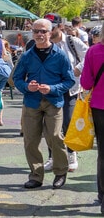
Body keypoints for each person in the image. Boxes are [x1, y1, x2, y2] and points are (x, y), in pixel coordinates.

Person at [13, 18, 75, 190]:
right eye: (36, 31)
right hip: (32, 102)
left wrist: (52, 88)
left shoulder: (60, 55)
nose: (39, 34)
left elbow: (69, 80)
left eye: (43, 31)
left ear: (50, 33)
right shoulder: (27, 56)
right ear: (32, 33)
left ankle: (60, 172)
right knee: (31, 140)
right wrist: (27, 87)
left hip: (53, 102)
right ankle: (36, 175)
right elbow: (16, 79)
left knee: (55, 137)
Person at [43, 13, 88, 172]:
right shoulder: (43, 44)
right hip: (49, 90)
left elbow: (88, 55)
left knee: (68, 122)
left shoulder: (71, 41)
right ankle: (52, 157)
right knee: (50, 126)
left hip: (70, 90)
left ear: (60, 26)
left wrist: (79, 69)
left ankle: (71, 154)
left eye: (51, 27)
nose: (48, 31)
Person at [80, 32, 104, 212]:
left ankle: (102, 196)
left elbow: (86, 83)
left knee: (103, 153)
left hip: (99, 106)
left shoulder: (94, 51)